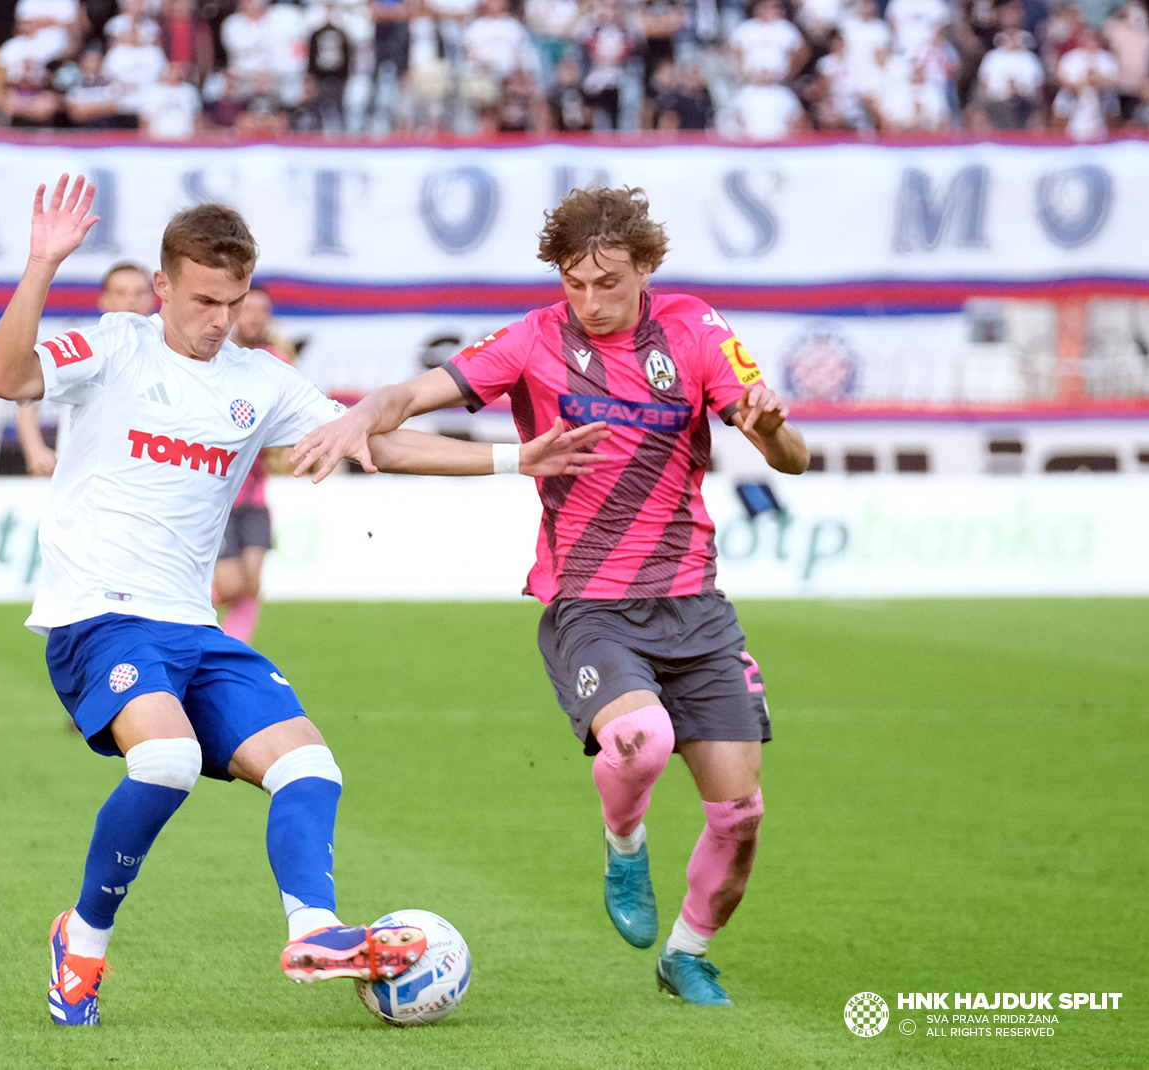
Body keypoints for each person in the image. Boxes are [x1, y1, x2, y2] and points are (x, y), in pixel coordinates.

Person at [0, 174, 602, 1026]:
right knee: (161, 763)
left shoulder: (259, 379)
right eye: (203, 300)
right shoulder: (115, 347)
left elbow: (373, 438)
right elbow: (4, 376)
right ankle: (80, 947)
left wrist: (514, 459)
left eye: (232, 302)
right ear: (163, 287)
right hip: (100, 613)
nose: (218, 320)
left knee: (311, 767)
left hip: (192, 626)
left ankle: (316, 930)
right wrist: (42, 265)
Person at [287, 184, 811, 1007]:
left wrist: (772, 424)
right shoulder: (533, 340)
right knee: (640, 736)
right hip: (590, 603)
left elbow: (791, 457)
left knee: (740, 815)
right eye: (575, 283)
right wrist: (364, 418)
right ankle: (623, 840)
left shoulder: (695, 330)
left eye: (610, 283)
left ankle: (688, 954)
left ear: (646, 268)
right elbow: (410, 397)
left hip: (696, 606)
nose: (592, 301)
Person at [16, 259, 155, 477]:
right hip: (82, 479)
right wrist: (34, 450)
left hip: (143, 478)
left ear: (153, 298)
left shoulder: (166, 351)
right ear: (105, 300)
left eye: (139, 293)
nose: (131, 300)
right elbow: (27, 391)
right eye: (121, 292)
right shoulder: (85, 349)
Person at [212, 285, 283, 645]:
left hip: (255, 494)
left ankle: (232, 649)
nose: (254, 317)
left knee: (252, 584)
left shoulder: (277, 361)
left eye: (262, 310)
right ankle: (171, 612)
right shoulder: (220, 358)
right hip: (221, 494)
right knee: (231, 583)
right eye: (248, 309)